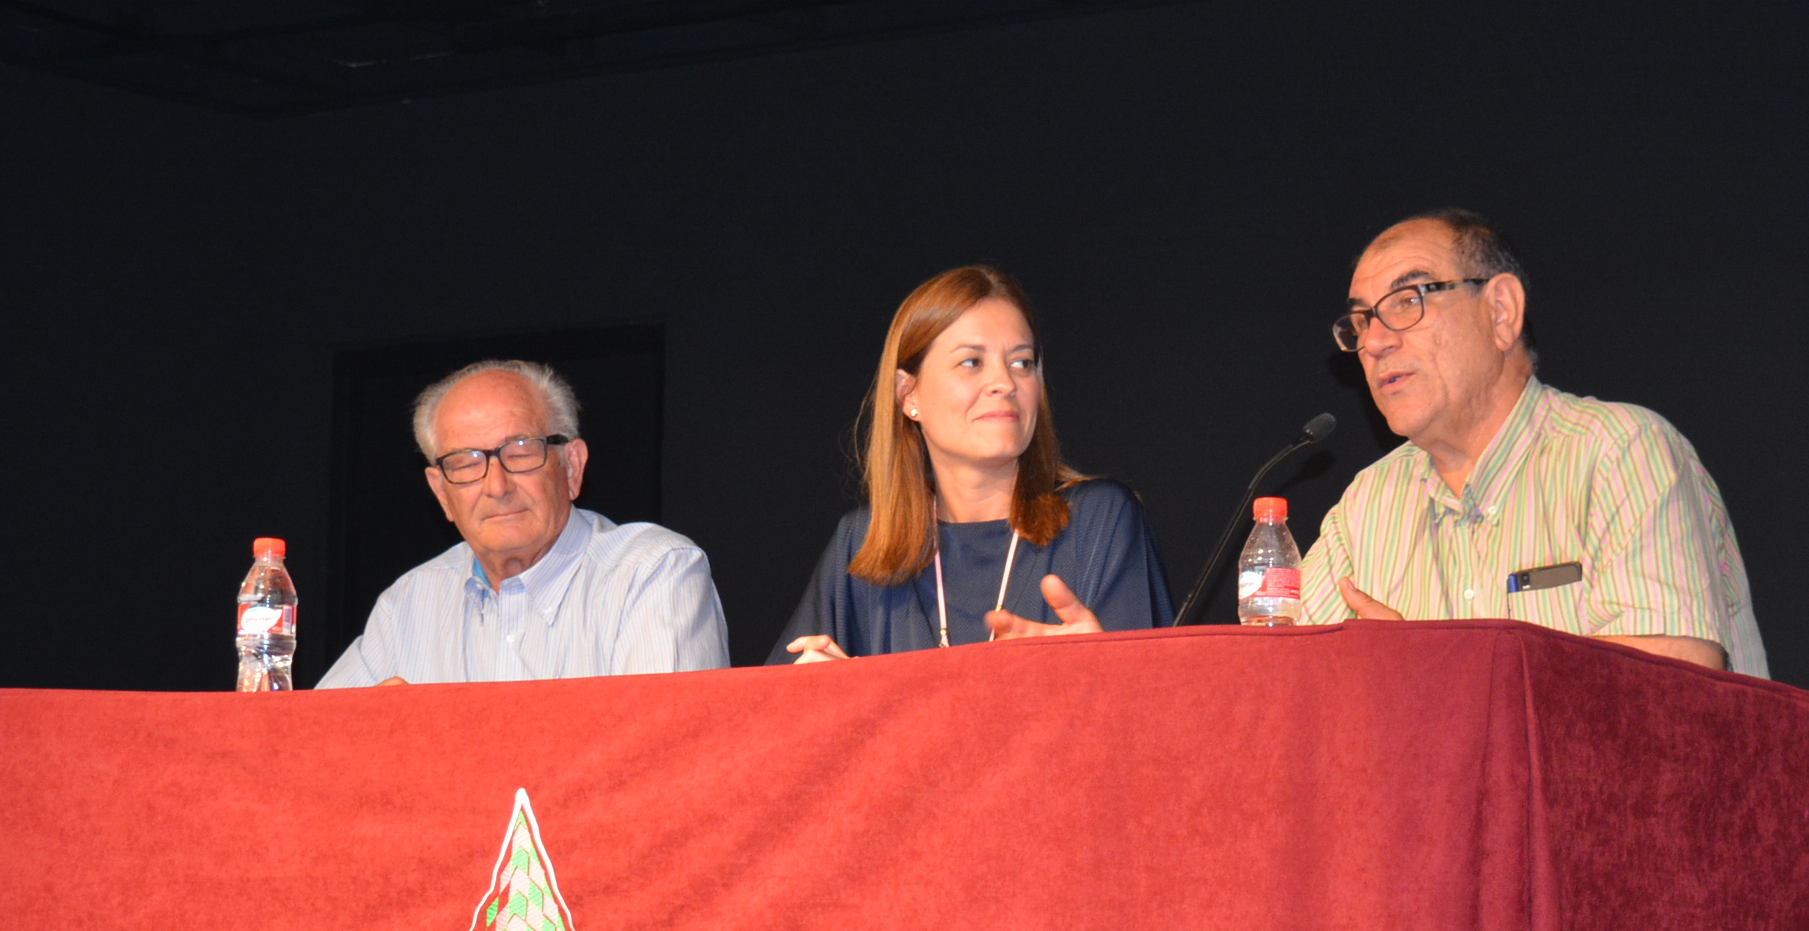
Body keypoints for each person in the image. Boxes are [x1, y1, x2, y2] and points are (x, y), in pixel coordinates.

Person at [1297, 209, 1767, 678]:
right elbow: (1284, 678)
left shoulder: (1620, 453)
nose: (1375, 341)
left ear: (1501, 311)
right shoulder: (1366, 507)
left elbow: (1668, 689)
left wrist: (1430, 674)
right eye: (1360, 321)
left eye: (1407, 300)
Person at [771, 264, 1170, 664]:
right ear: (908, 394)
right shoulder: (861, 543)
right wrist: (821, 696)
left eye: (1022, 363)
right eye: (971, 363)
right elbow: (763, 711)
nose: (1006, 382)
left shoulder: (1099, 519)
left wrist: (1111, 668)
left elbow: (1165, 707)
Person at [317, 359, 728, 687]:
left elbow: (662, 762)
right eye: (465, 463)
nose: (496, 486)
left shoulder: (652, 574)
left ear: (571, 467)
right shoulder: (407, 605)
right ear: (442, 493)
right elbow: (306, 747)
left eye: (520, 452)